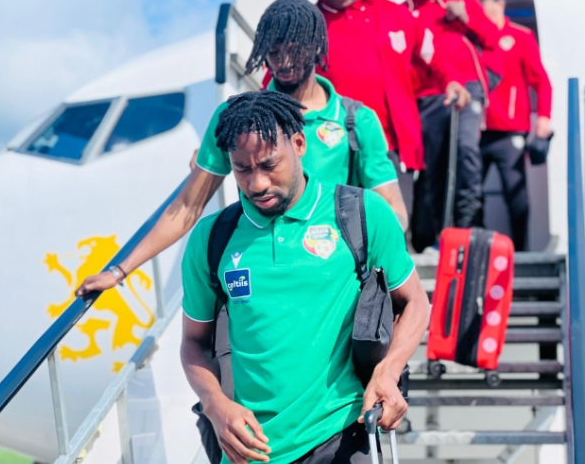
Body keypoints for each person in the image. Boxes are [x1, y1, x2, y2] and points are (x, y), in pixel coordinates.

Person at [76, 0, 411, 463]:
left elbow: (390, 208)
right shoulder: (237, 122)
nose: (283, 61)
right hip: (259, 270)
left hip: (331, 276)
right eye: (272, 51)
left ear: (318, 48)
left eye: (294, 49)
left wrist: (372, 243)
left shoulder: (355, 120)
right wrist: (120, 270)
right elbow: (188, 206)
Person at [181, 89, 429, 464]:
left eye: (269, 164)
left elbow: (415, 302)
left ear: (299, 144)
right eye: (242, 169)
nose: (257, 183)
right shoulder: (211, 237)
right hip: (253, 449)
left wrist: (387, 370)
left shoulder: (362, 213)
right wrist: (215, 404)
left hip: (343, 433)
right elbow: (193, 343)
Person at [314, 0, 471, 220]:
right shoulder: (311, 24)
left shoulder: (395, 14)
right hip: (332, 148)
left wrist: (451, 81)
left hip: (391, 147)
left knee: (394, 226)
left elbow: (431, 55)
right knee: (339, 229)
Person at [405, 0, 502, 251]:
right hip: (427, 95)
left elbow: (492, 39)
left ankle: (470, 228)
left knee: (465, 150)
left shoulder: (461, 0)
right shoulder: (405, 10)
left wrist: (466, 18)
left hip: (468, 88)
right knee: (434, 165)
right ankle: (439, 236)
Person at [476, 0, 553, 251]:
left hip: (510, 132)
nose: (479, 8)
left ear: (498, 3)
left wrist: (544, 117)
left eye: (482, 2)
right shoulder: (473, 39)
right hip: (476, 132)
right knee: (471, 195)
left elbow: (541, 81)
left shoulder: (520, 36)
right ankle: (478, 250)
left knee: (516, 194)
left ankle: (520, 253)